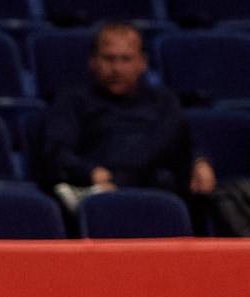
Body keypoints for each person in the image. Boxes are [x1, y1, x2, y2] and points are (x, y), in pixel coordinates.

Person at [41, 22, 214, 211]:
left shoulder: (163, 101)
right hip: (103, 188)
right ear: (92, 61)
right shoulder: (73, 100)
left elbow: (184, 143)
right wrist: (90, 172)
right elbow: (57, 151)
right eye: (109, 59)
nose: (117, 68)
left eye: (126, 59)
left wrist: (200, 162)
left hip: (158, 187)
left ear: (142, 63)